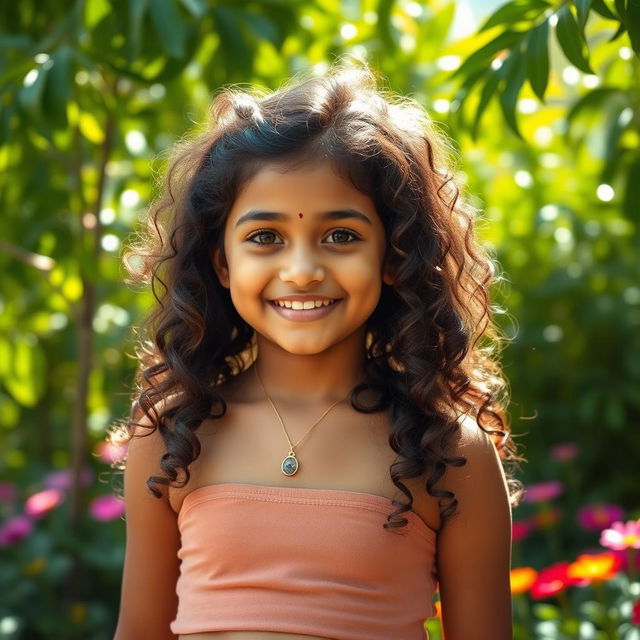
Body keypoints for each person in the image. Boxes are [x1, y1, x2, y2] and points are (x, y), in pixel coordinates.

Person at [112, 63, 523, 640]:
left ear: (392, 256)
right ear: (221, 262)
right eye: (265, 238)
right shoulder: (173, 436)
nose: (302, 271)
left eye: (341, 236)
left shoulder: (448, 451)